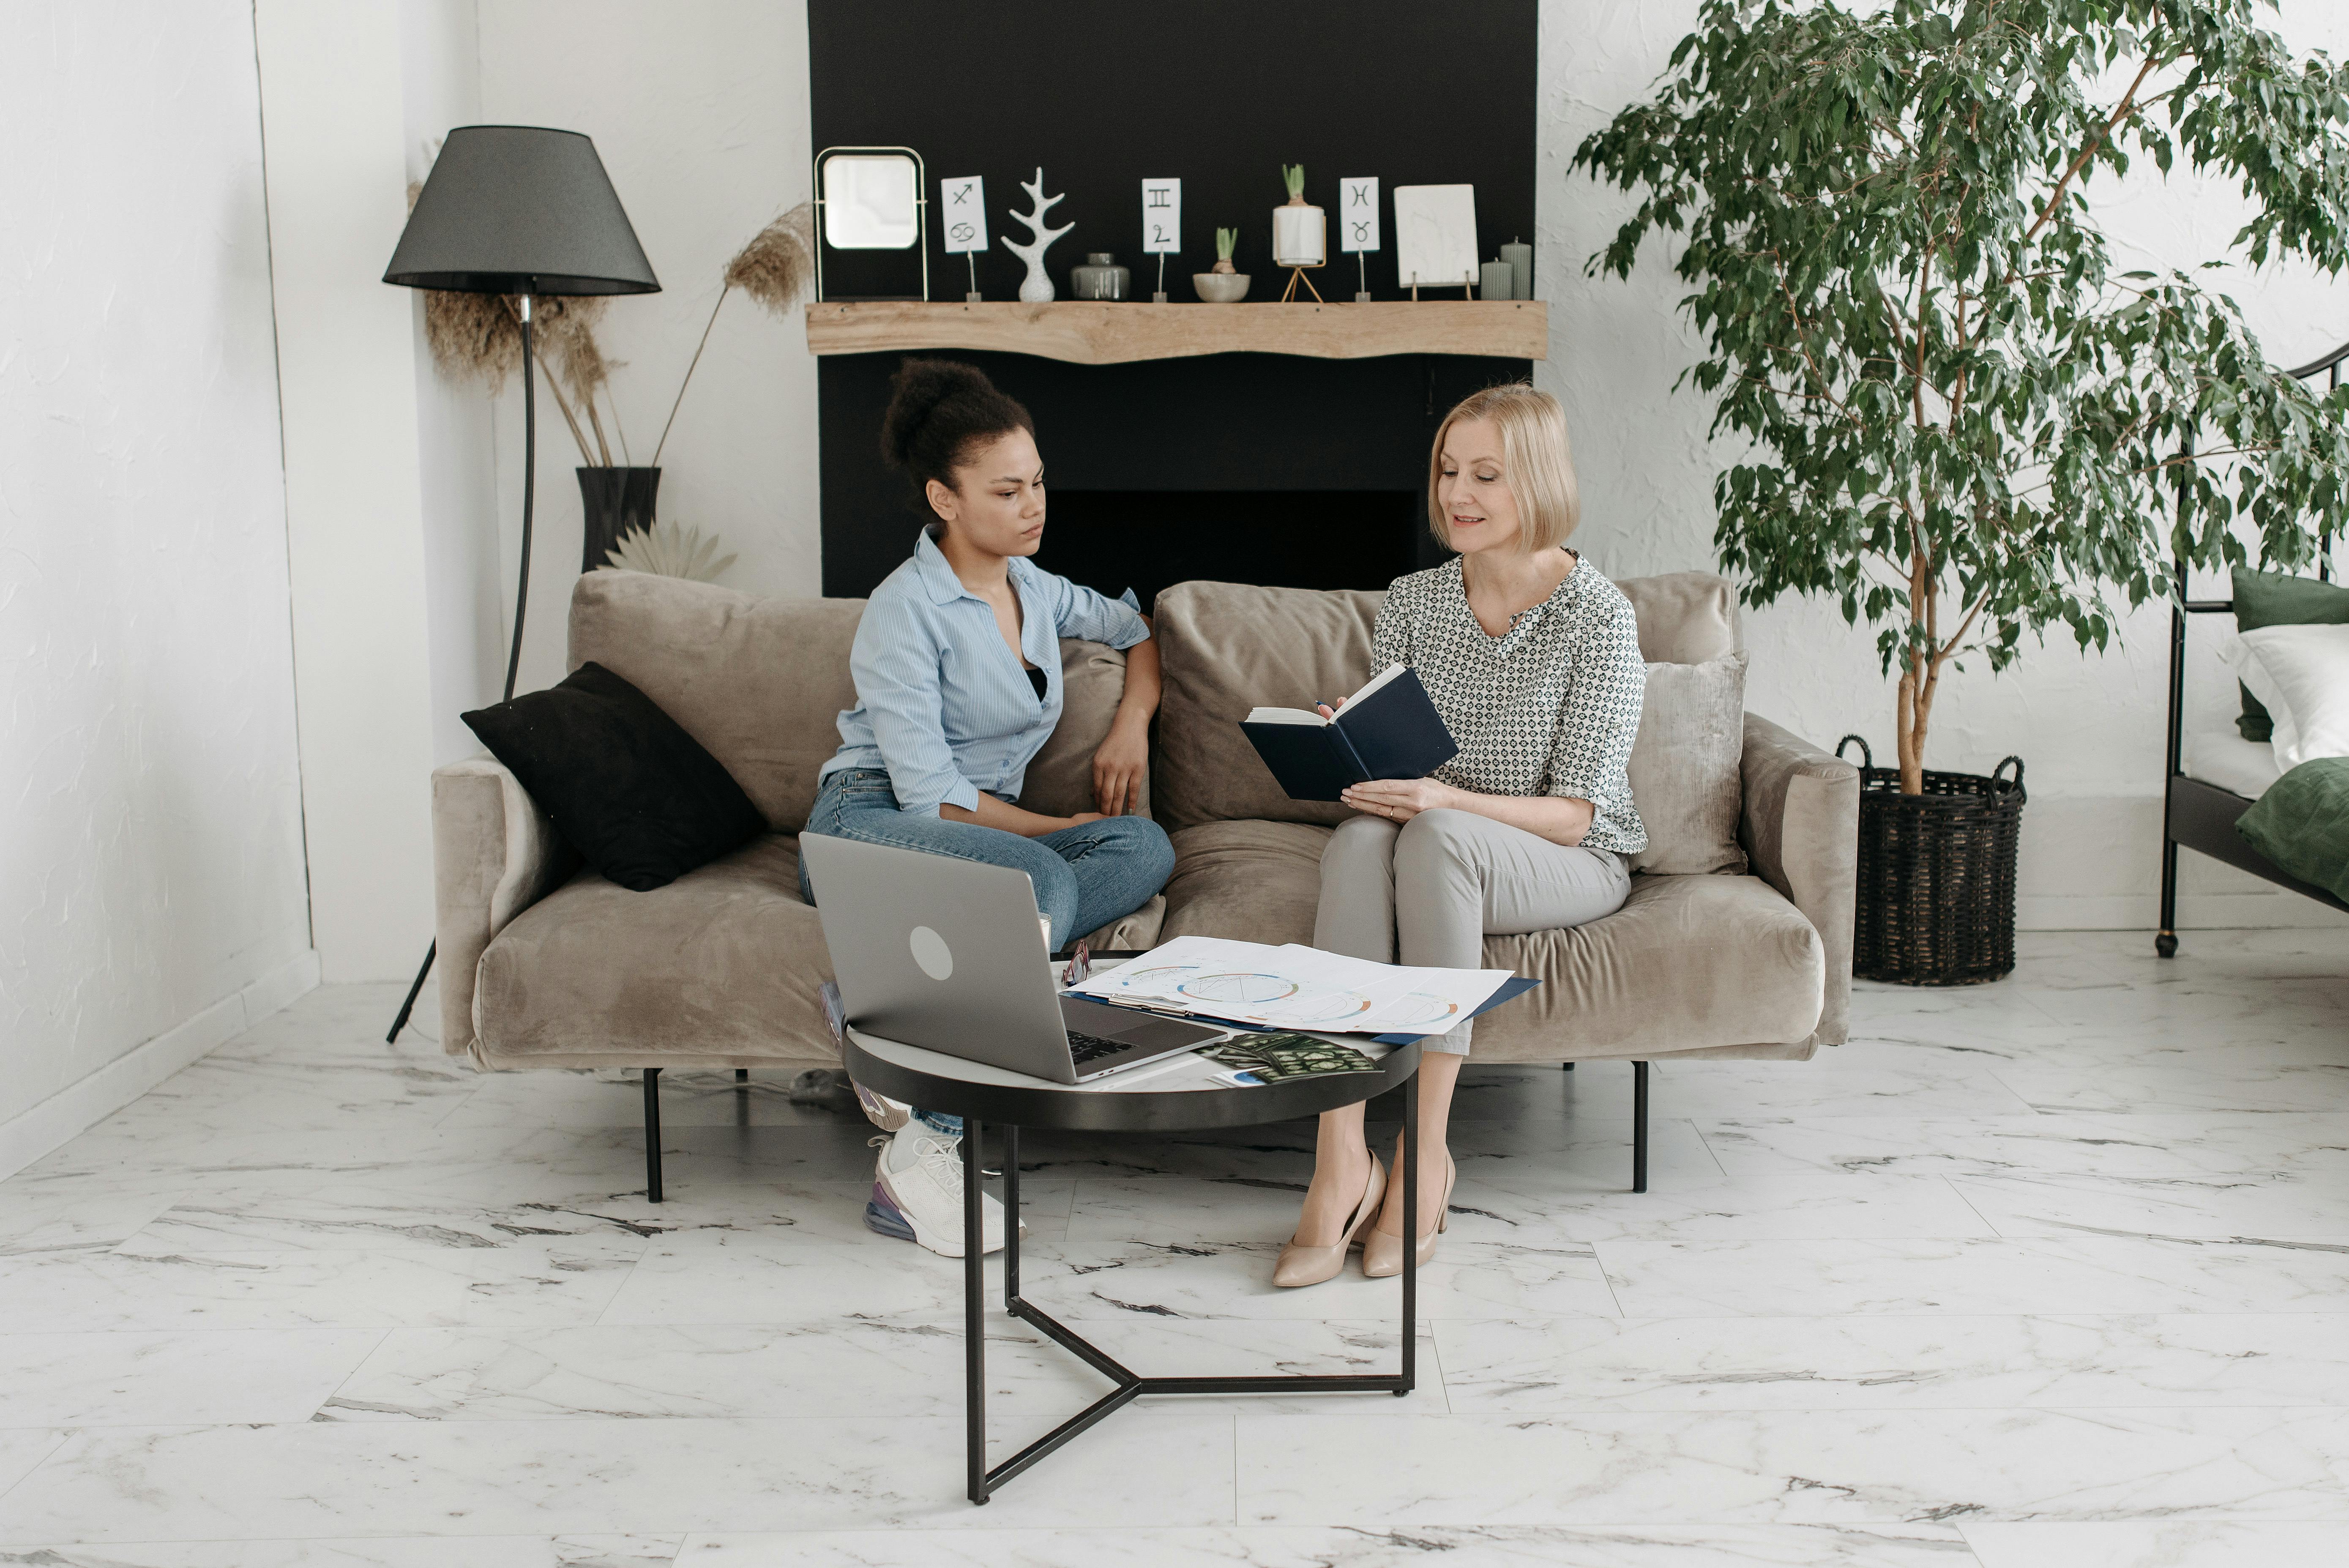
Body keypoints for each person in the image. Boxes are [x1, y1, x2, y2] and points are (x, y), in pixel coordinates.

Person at [1273, 383, 1647, 1288]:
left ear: (1538, 483)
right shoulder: (1412, 601)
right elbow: (1400, 772)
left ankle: (1425, 1158)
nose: (1457, 493)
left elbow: (1578, 814)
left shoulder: (1598, 616)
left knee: (1434, 840)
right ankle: (1340, 1158)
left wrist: (1444, 804)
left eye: (1486, 474)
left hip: (1564, 854)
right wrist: (1354, 744)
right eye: (1448, 471)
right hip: (1429, 835)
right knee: (1359, 842)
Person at [802, 358, 1176, 1258]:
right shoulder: (906, 610)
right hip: (870, 821)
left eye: (1037, 481)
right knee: (1044, 876)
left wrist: (1130, 723)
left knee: (1145, 846)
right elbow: (931, 795)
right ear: (945, 498)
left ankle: (889, 1012)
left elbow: (1139, 629)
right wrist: (1058, 832)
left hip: (978, 840)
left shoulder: (1035, 589)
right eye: (1007, 491)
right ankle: (927, 1152)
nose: (1034, 504)